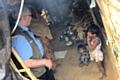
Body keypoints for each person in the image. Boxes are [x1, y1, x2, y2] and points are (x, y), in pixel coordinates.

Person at [11, 5, 55, 80]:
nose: (31, 18)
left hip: (41, 68)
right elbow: (26, 62)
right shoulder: (19, 37)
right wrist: (45, 62)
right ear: (25, 17)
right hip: (37, 74)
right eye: (30, 16)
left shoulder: (23, 29)